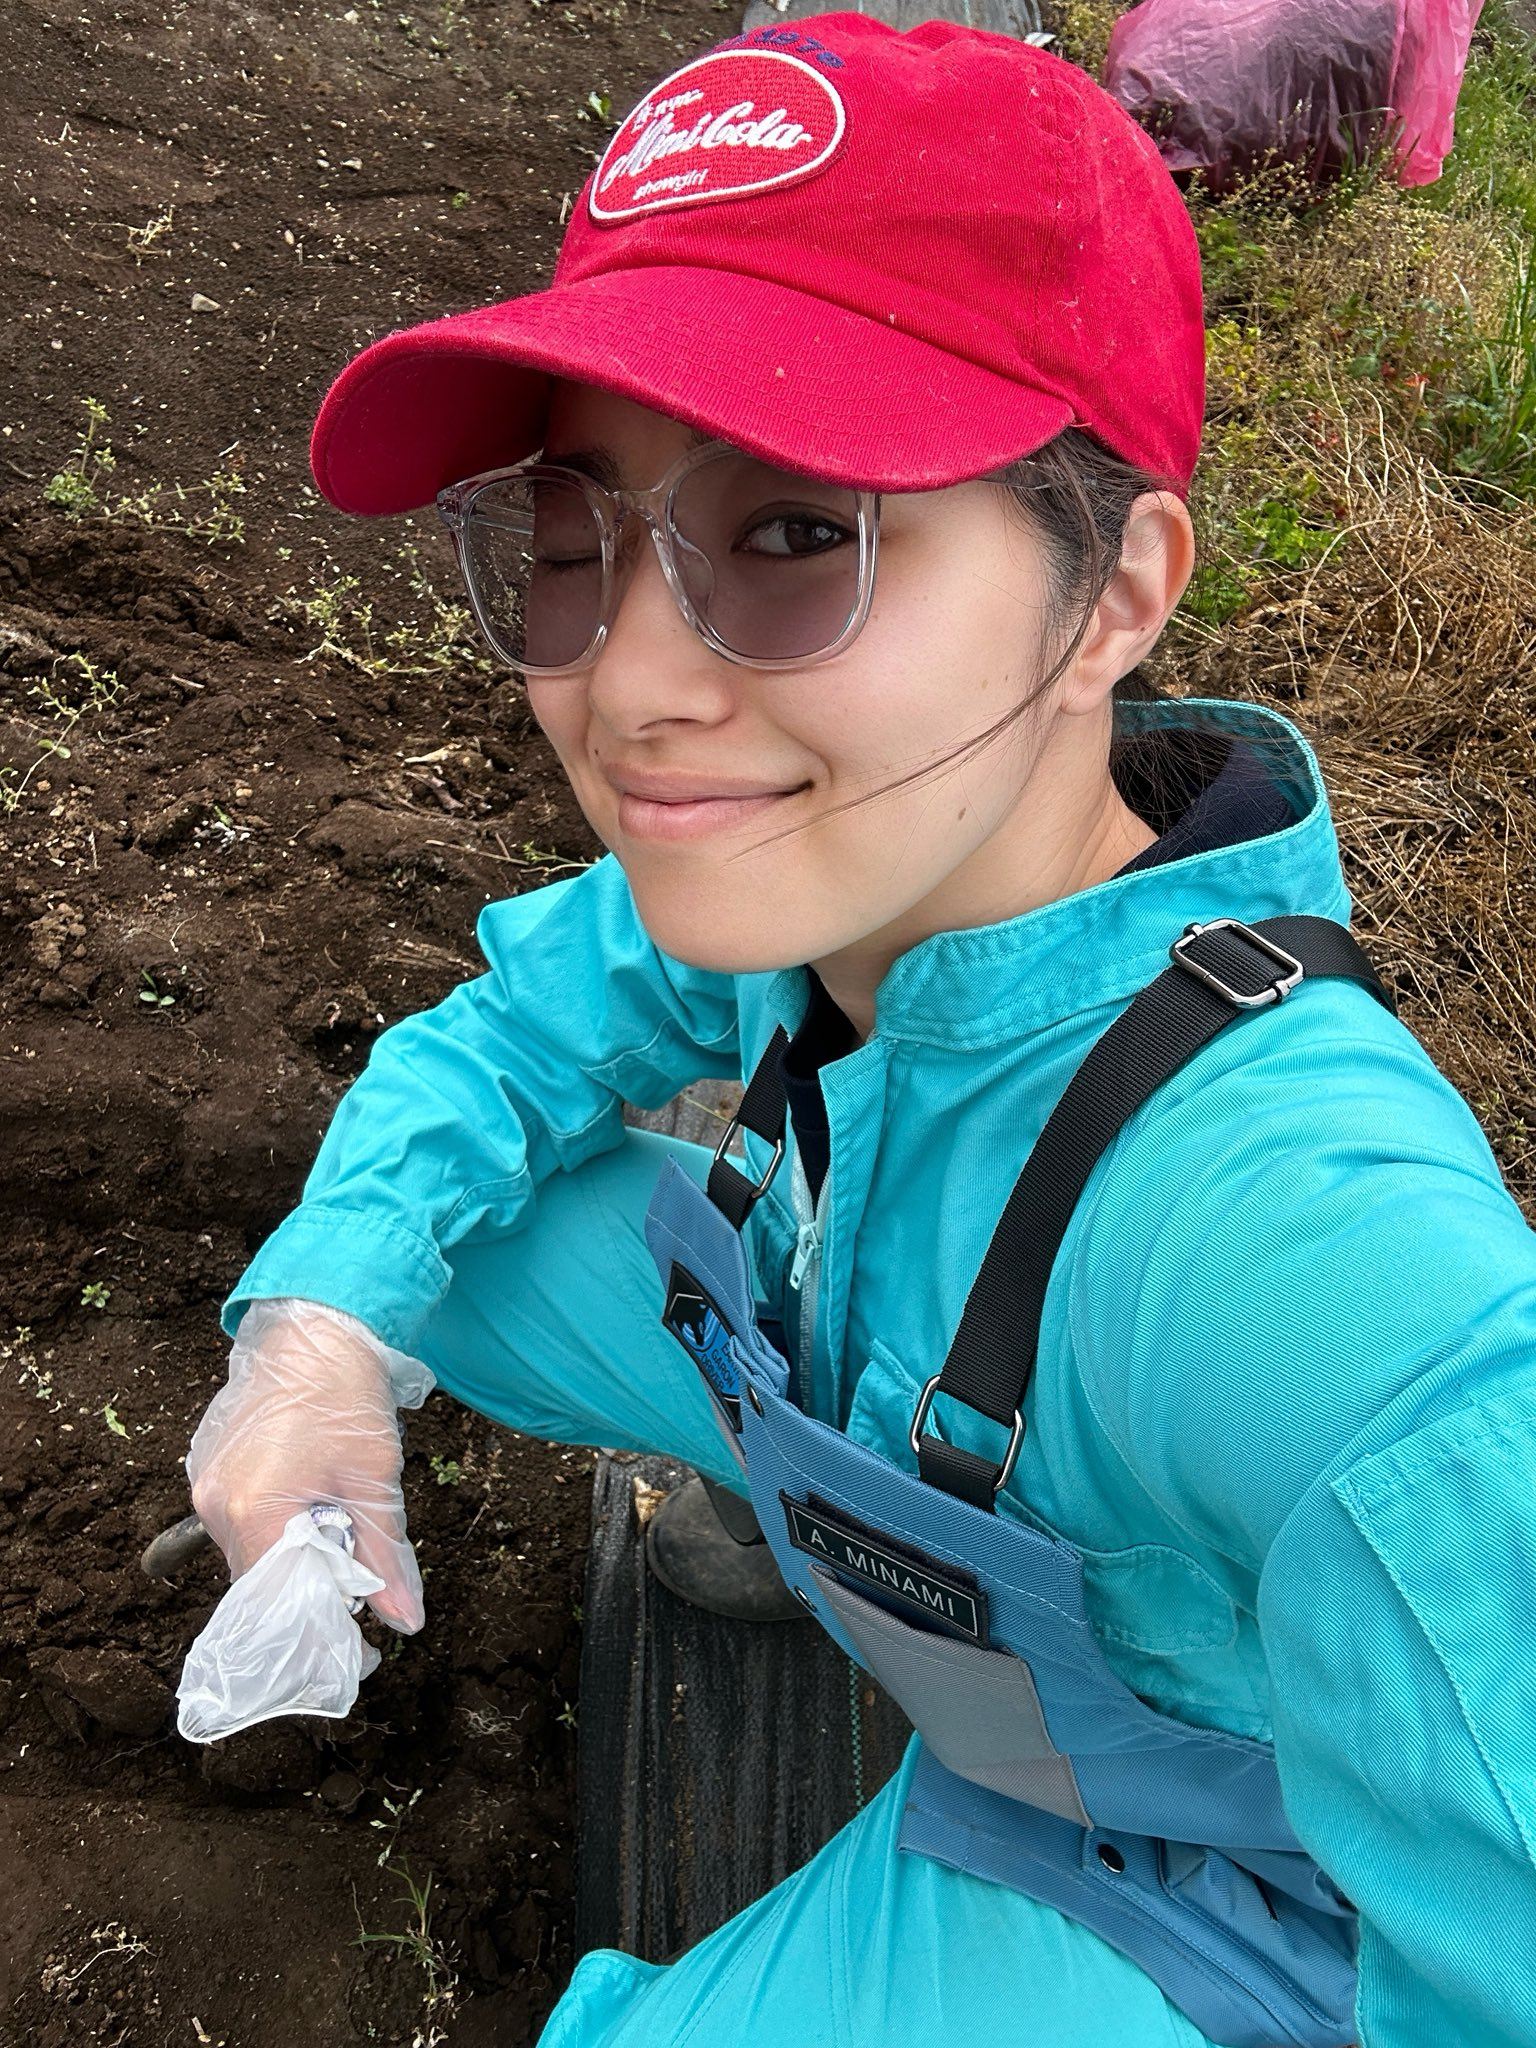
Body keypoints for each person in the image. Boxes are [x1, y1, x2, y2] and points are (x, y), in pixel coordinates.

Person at [183, 14, 1536, 2047]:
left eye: (796, 534)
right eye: (571, 545)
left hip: (1226, 1912)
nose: (628, 686)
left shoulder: (1306, 1278)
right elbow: (492, 1045)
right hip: (949, 1555)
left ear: (1113, 597)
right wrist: (318, 1336)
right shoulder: (855, 883)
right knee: (425, 1240)